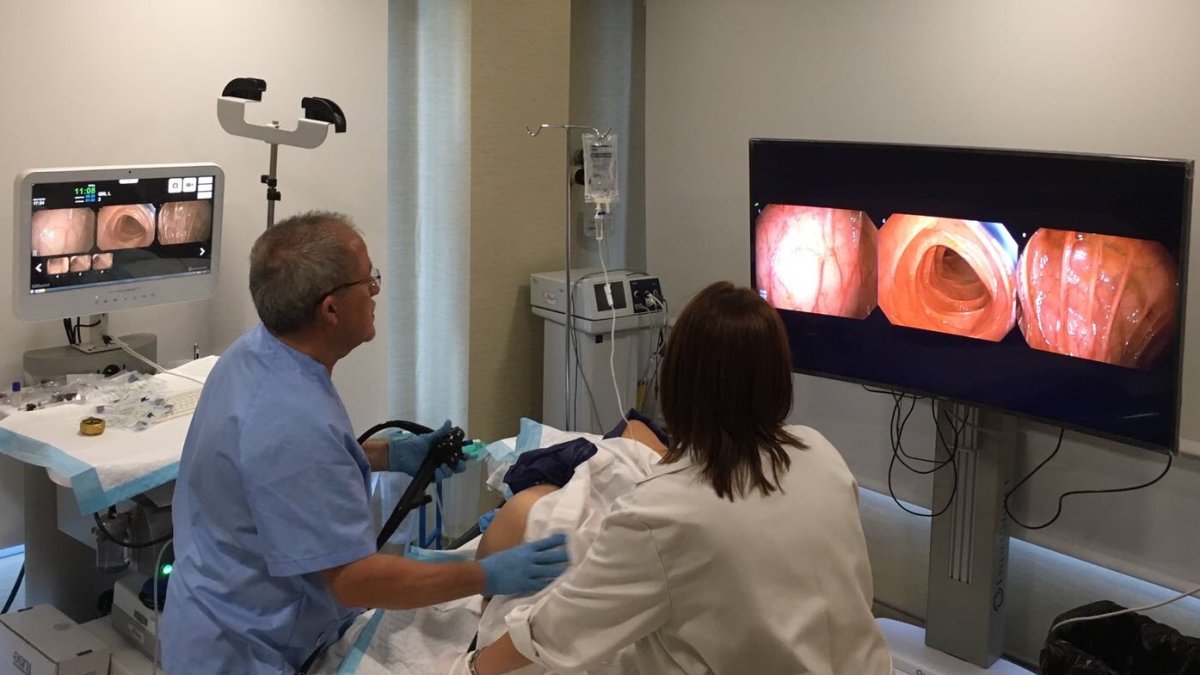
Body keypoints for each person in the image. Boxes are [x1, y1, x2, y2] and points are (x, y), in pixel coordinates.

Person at [161, 211, 569, 674]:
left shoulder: (257, 354)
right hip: (246, 652)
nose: (376, 291)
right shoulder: (294, 420)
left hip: (215, 613)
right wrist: (486, 574)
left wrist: (392, 454)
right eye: (368, 281)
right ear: (330, 309)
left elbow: (284, 474)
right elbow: (355, 581)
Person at [451, 281, 893, 674]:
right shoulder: (820, 452)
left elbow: (555, 633)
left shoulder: (663, 510)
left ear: (678, 384)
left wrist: (471, 668)